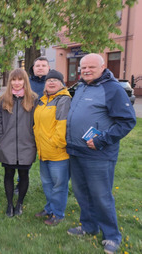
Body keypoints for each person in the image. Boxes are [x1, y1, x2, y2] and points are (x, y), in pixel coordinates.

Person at [66, 53, 136, 254]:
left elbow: (127, 121)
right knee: (81, 193)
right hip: (76, 151)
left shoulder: (112, 89)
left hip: (99, 153)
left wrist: (101, 140)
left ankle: (112, 236)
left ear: (103, 67)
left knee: (101, 195)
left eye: (91, 67)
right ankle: (89, 227)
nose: (86, 70)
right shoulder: (82, 86)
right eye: (83, 67)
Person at [0, 68, 38, 217]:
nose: (17, 83)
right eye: (14, 80)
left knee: (24, 174)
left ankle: (19, 202)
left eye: (20, 79)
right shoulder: (3, 100)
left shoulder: (33, 99)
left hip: (26, 144)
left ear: (25, 81)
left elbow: (36, 122)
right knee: (8, 173)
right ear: (10, 82)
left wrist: (33, 139)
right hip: (7, 144)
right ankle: (9, 204)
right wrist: (0, 138)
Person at [33, 69, 71, 225]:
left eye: (56, 80)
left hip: (58, 152)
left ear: (61, 83)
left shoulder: (63, 100)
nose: (52, 82)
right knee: (47, 184)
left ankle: (58, 213)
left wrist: (56, 143)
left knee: (58, 185)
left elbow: (62, 126)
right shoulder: (42, 100)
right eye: (49, 80)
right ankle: (49, 208)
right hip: (43, 152)